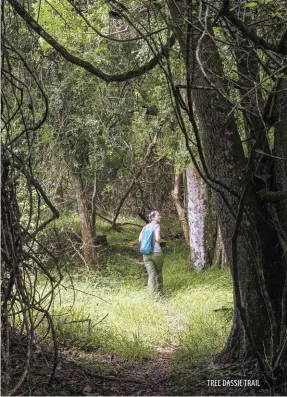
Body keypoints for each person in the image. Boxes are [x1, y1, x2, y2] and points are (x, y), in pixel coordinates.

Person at [139, 210, 165, 297]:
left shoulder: (145, 227)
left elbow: (140, 239)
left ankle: (151, 295)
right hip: (156, 253)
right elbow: (158, 239)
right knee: (159, 272)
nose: (160, 216)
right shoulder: (156, 225)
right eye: (158, 215)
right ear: (153, 217)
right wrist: (163, 241)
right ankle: (160, 292)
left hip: (146, 254)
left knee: (151, 274)